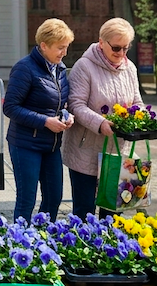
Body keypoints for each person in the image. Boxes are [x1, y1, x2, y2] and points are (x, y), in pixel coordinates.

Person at [62, 18, 144, 218]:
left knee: (112, 213)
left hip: (117, 152)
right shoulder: (84, 66)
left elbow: (137, 102)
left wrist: (140, 119)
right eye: (116, 48)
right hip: (85, 151)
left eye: (126, 48)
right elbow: (75, 104)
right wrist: (99, 123)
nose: (121, 54)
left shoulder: (130, 68)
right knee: (84, 212)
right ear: (101, 42)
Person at [3, 18, 75, 221]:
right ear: (44, 46)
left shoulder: (59, 68)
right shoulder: (24, 68)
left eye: (66, 47)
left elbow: (59, 102)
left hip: (51, 145)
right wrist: (45, 121)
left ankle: (45, 239)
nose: (64, 53)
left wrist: (66, 116)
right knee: (27, 199)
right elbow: (10, 107)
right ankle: (20, 245)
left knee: (54, 198)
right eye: (60, 48)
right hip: (26, 144)